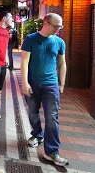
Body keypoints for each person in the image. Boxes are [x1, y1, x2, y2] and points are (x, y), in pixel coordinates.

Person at [21, 13, 68, 166]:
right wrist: (25, 83)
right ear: (46, 23)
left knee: (52, 117)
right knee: (33, 113)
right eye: (57, 26)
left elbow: (62, 64)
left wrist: (61, 84)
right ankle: (37, 134)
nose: (59, 29)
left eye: (60, 26)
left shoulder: (59, 42)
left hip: (51, 85)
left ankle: (52, 151)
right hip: (33, 83)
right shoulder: (30, 39)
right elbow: (24, 62)